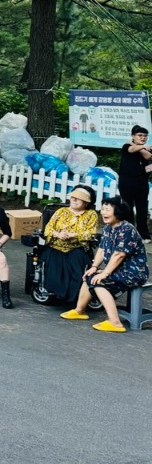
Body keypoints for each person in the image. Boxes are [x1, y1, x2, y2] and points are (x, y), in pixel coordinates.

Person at [61, 197, 149, 333]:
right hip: (117, 270)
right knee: (89, 275)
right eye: (102, 209)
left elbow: (119, 255)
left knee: (99, 281)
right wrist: (94, 267)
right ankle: (79, 310)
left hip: (133, 272)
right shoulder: (108, 228)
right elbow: (101, 249)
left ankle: (115, 322)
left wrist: (105, 273)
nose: (103, 213)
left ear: (118, 212)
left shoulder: (126, 229)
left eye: (107, 210)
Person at [41, 186, 100, 303]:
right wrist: (57, 234)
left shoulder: (91, 214)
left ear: (87, 203)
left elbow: (91, 233)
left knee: (77, 273)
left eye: (79, 198)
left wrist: (73, 235)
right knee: (53, 267)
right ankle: (56, 294)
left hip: (77, 248)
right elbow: (48, 228)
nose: (74, 199)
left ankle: (74, 298)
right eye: (73, 197)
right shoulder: (61, 212)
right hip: (56, 247)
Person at [117, 125, 152, 238]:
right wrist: (140, 147)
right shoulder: (127, 145)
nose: (143, 138)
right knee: (128, 206)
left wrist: (141, 148)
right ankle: (129, 232)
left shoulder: (147, 149)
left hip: (142, 182)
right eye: (140, 135)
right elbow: (131, 149)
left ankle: (143, 234)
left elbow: (148, 156)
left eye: (145, 136)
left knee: (142, 207)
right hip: (126, 181)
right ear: (133, 136)